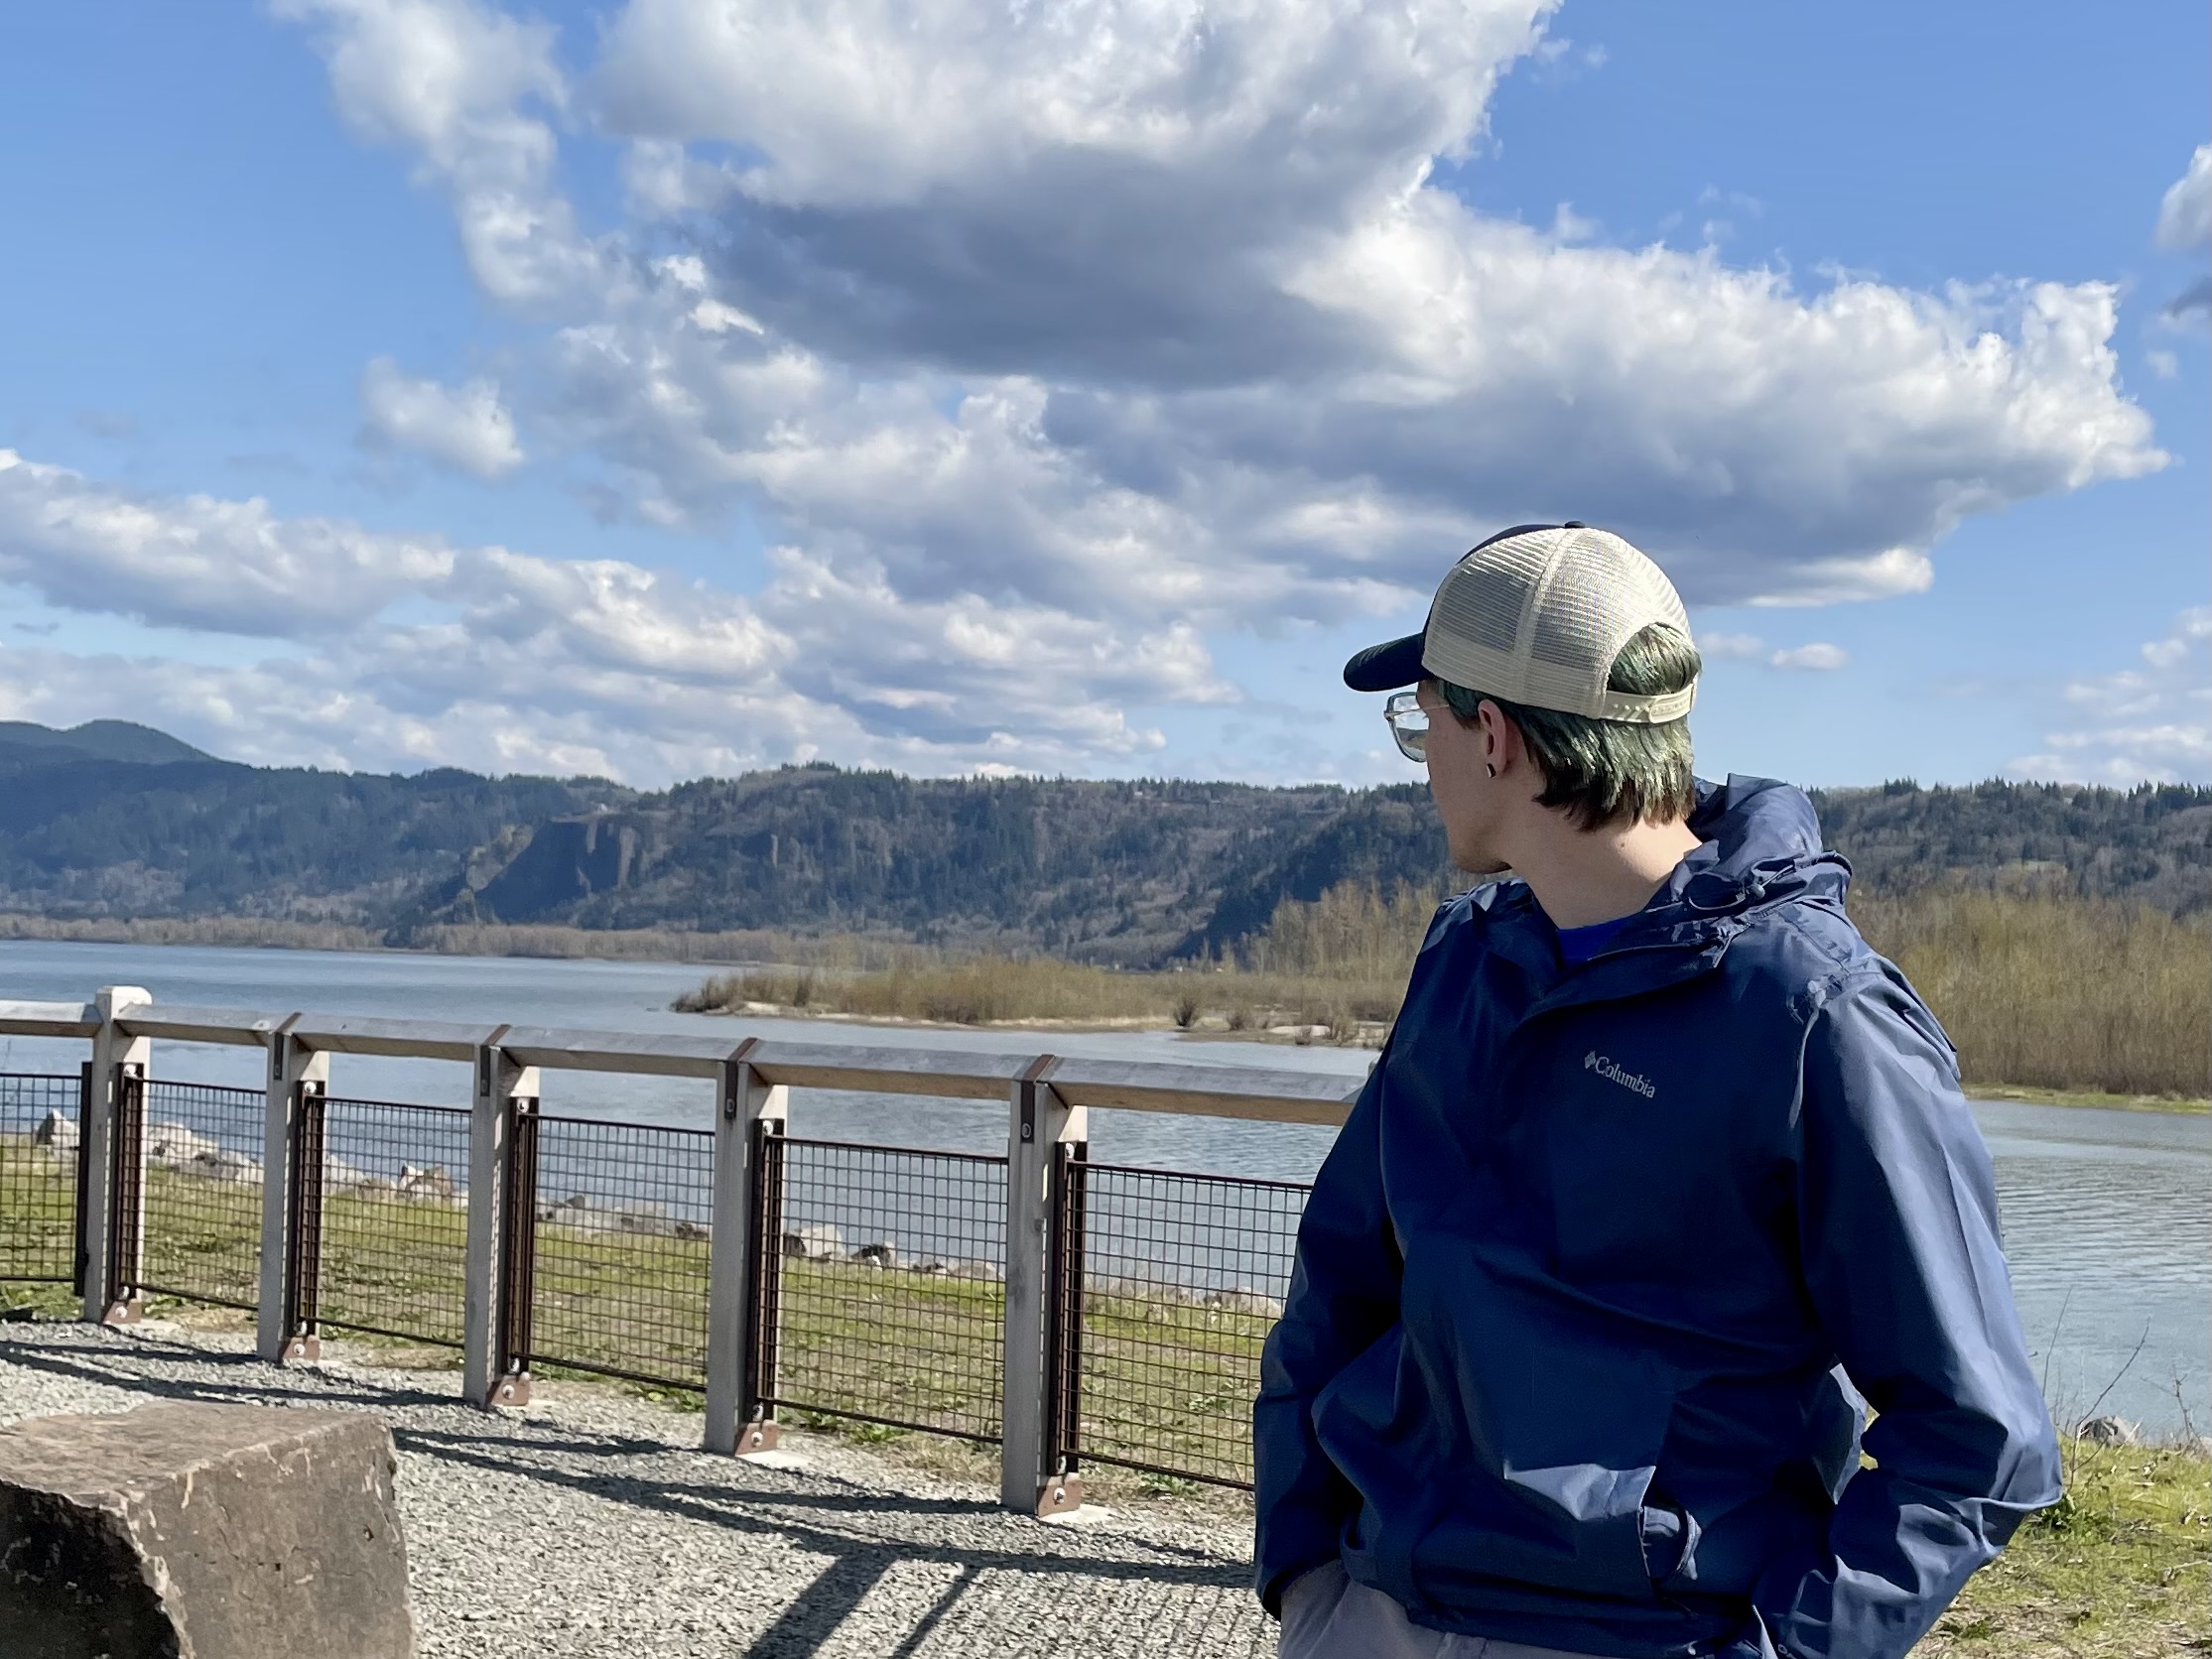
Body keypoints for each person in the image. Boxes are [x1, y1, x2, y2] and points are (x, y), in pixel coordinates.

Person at [1253, 524, 2060, 1659]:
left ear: (1495, 737)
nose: (1419, 758)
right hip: (1375, 1610)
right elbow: (1342, 1281)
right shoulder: (1464, 962)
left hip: (1636, 1633)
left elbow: (1981, 1441)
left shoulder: (1815, 1017)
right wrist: (1302, 1568)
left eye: (1421, 722)